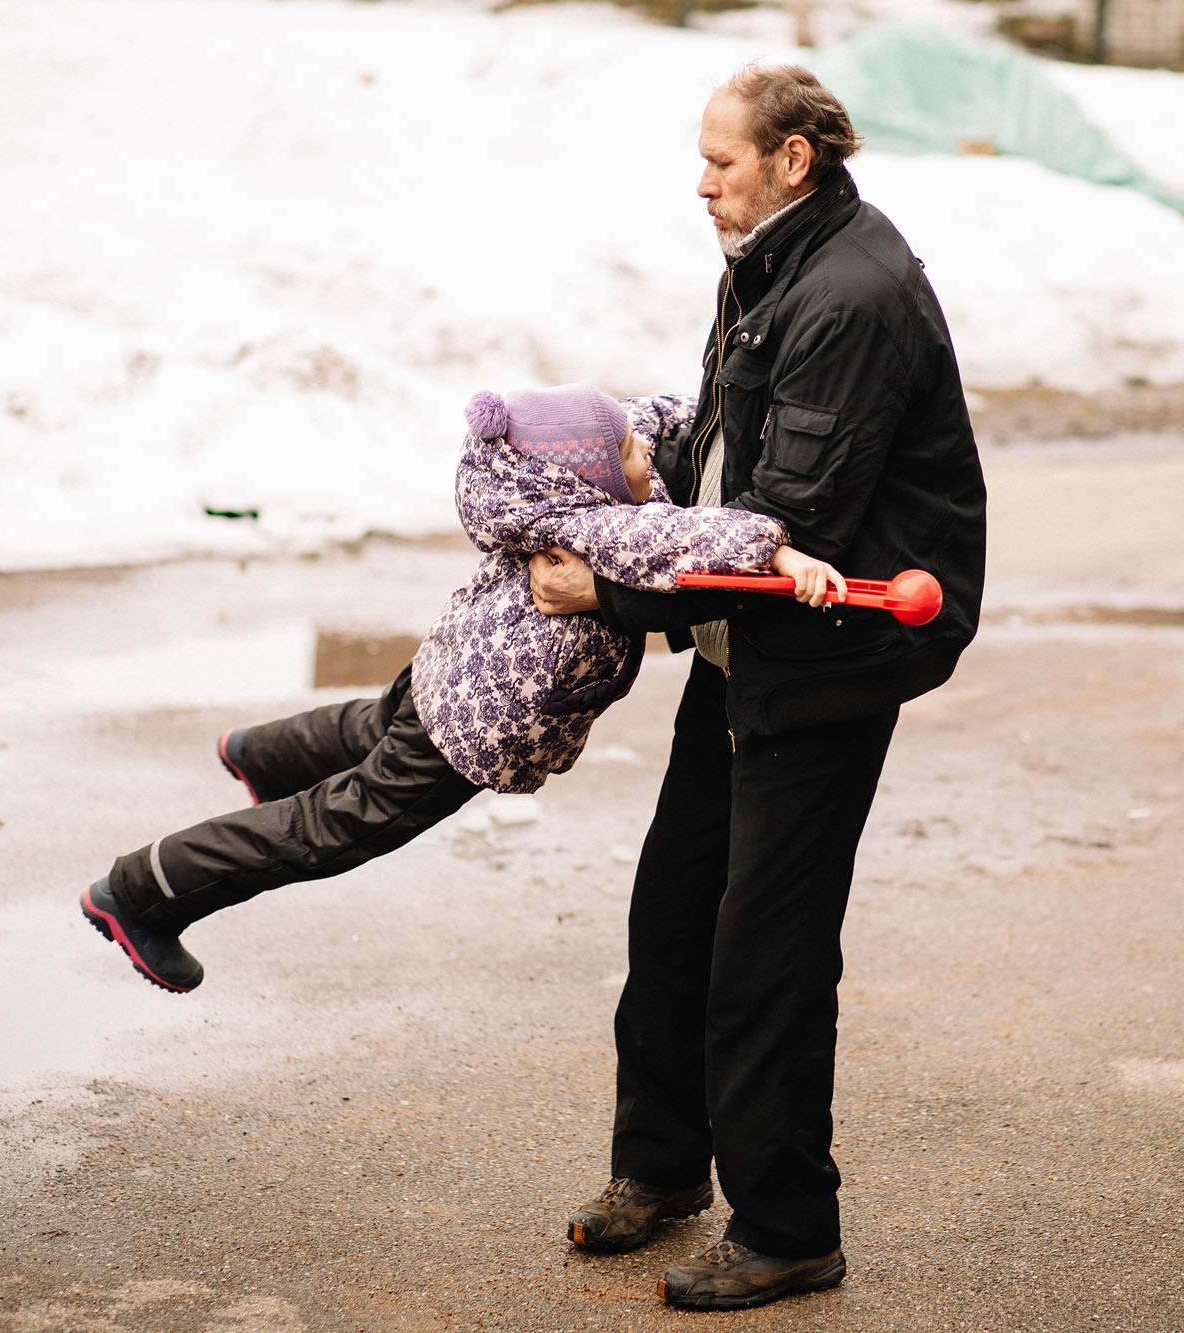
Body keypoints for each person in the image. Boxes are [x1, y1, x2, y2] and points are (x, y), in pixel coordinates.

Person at [531, 66, 987, 1312]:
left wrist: (614, 594)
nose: (700, 181)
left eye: (720, 160)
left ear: (791, 159)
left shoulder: (852, 292)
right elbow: (728, 454)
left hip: (828, 653)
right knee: (673, 916)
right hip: (750, 642)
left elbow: (789, 520)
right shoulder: (772, 255)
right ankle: (665, 1167)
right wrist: (628, 476)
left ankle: (789, 1225)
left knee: (764, 956)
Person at [78, 384, 846, 993]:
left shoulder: (533, 480)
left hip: (451, 665)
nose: (644, 450)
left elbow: (643, 414)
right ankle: (142, 892)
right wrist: (780, 555)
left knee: (378, 724)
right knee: (328, 827)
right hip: (474, 728)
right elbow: (686, 540)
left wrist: (695, 409)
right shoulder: (599, 525)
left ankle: (263, 754)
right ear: (595, 475)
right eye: (629, 450)